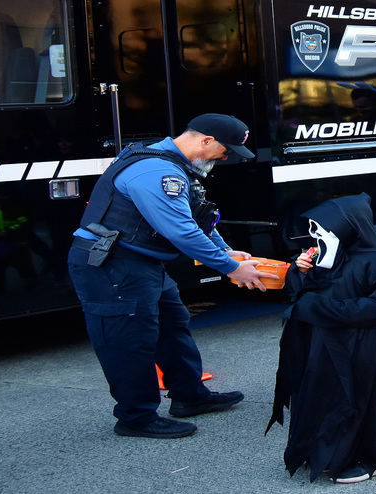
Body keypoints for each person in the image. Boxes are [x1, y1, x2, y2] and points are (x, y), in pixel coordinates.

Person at [67, 113, 268, 439]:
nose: (226, 157)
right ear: (206, 141)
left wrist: (226, 250)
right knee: (129, 342)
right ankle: (136, 417)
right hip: (114, 266)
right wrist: (231, 268)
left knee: (172, 326)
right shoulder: (157, 172)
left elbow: (197, 219)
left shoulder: (171, 166)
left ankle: (189, 395)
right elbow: (182, 232)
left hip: (140, 264)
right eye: (225, 150)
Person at [269, 194, 376, 484]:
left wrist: (326, 310)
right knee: (317, 391)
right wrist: (299, 272)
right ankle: (324, 452)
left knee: (353, 398)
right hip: (323, 342)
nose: (315, 235)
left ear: (347, 227)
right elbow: (302, 295)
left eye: (320, 229)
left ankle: (367, 457)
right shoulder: (330, 258)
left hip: (359, 342)